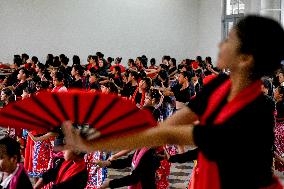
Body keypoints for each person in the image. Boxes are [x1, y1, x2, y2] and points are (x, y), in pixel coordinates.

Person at [61, 15, 284, 189]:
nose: (220, 46)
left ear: (245, 59)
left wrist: (94, 144)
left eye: (229, 41)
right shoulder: (219, 85)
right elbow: (166, 128)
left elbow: (167, 135)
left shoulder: (256, 110)